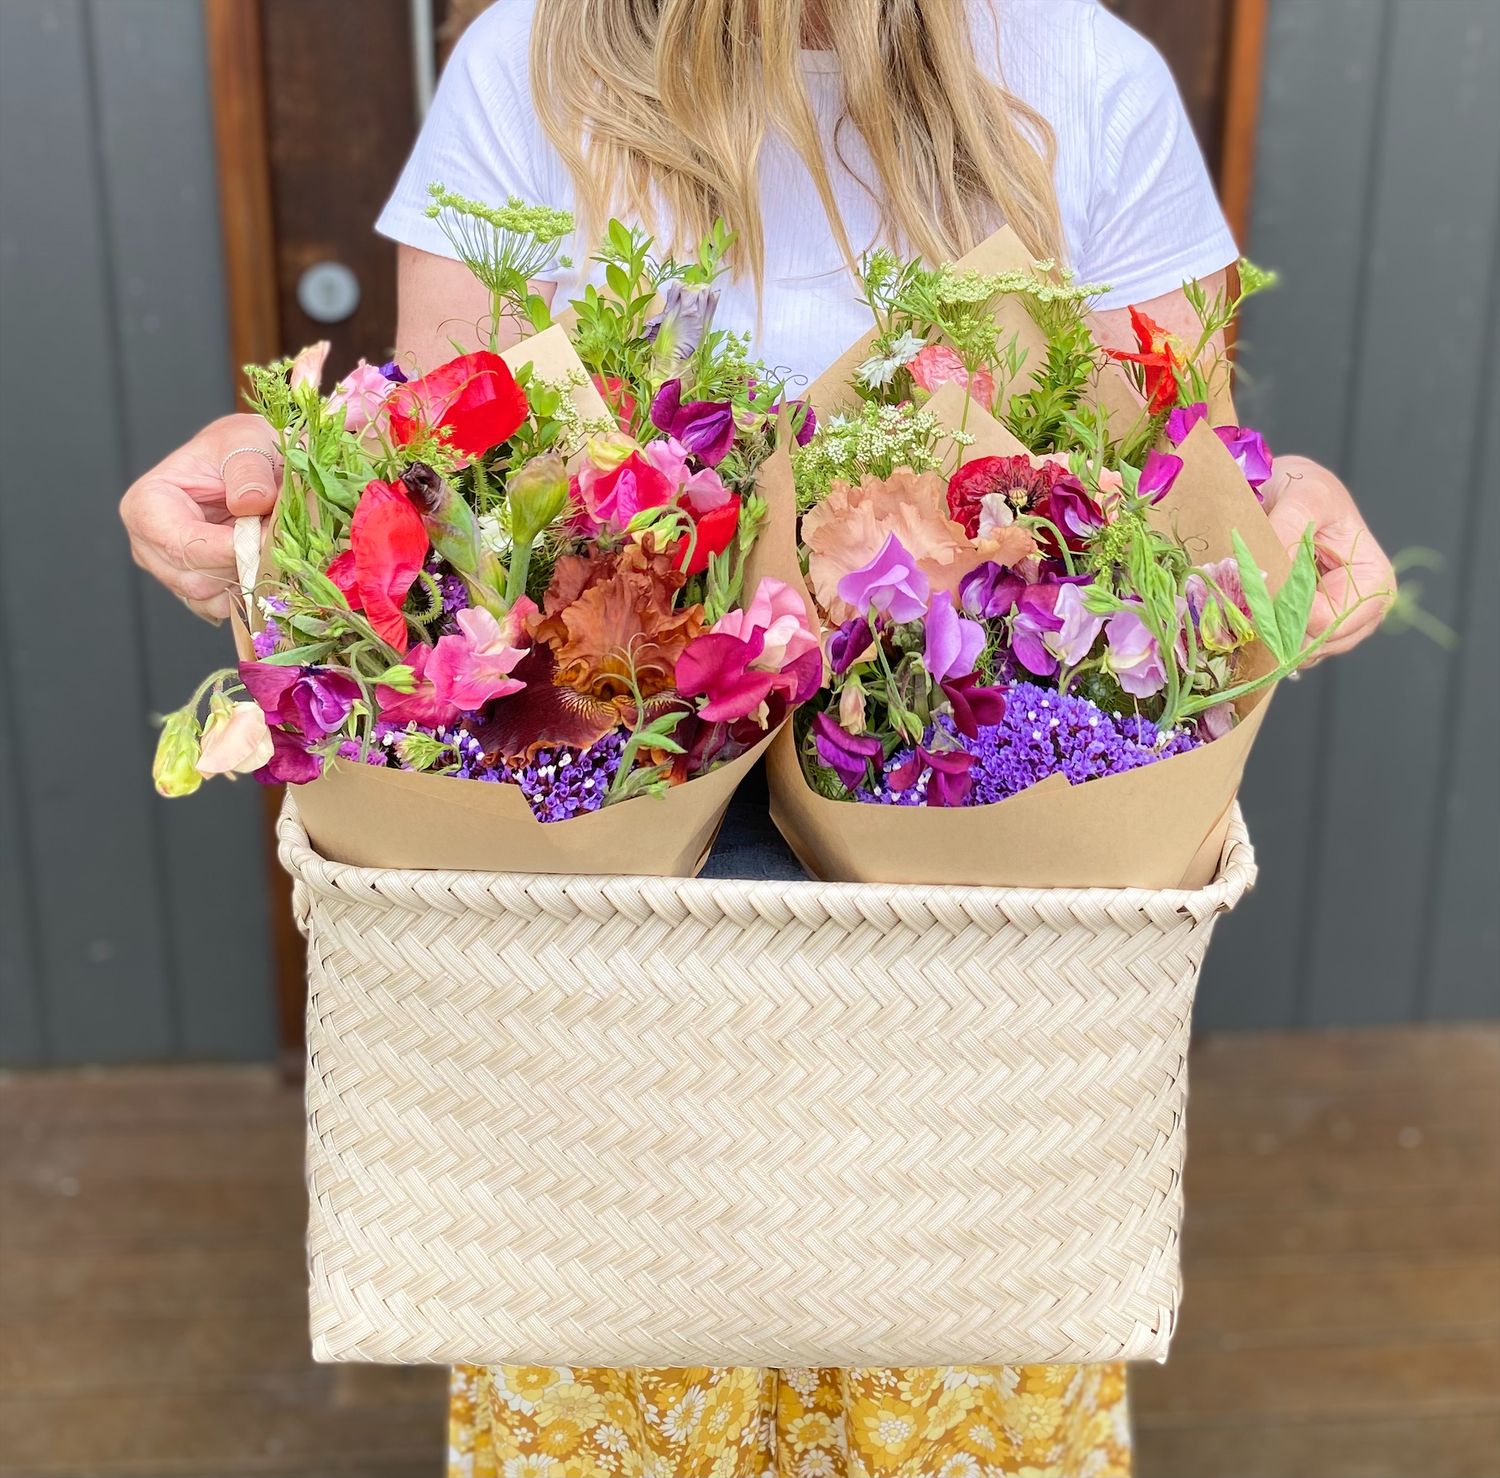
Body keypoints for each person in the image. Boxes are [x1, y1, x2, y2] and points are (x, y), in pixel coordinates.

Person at [120, 2, 1394, 1473]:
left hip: (970, 1016)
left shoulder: (1079, 75)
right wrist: (283, 479)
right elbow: (444, 474)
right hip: (596, 1001)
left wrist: (1286, 496)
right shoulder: (527, 68)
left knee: (952, 1410)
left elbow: (1172, 476)